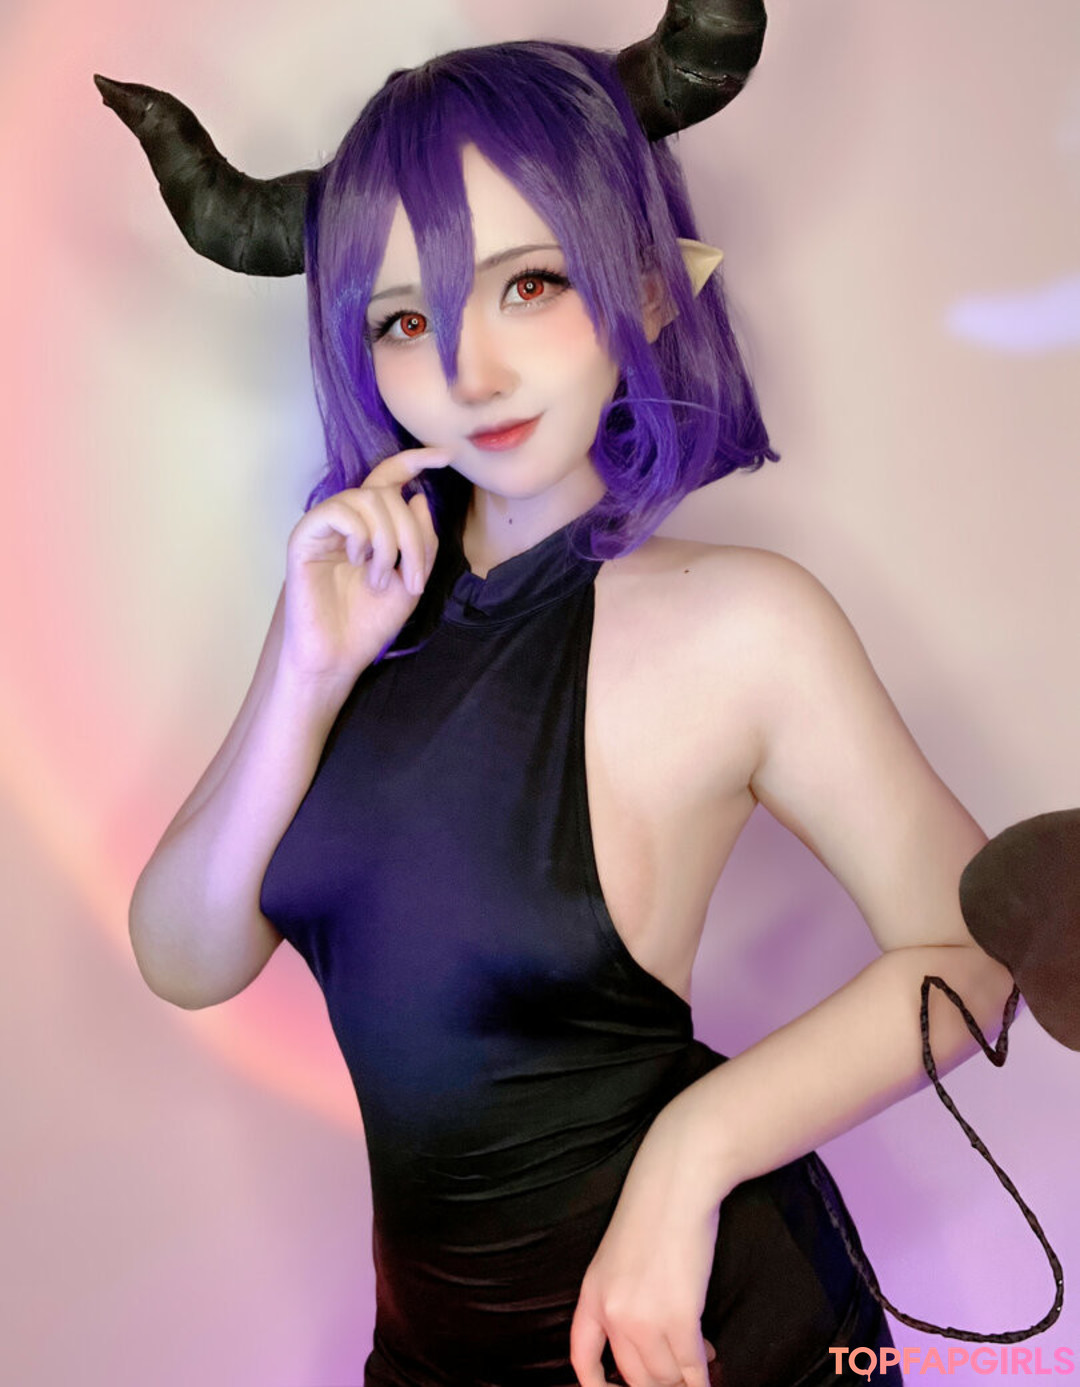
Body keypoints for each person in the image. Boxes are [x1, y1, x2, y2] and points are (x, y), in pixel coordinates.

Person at [109, 27, 1018, 1387]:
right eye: (406, 321)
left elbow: (981, 954)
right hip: (429, 1352)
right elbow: (187, 957)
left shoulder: (740, 622)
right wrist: (306, 672)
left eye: (528, 285)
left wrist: (690, 1161)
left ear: (647, 282)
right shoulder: (354, 609)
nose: (467, 371)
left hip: (697, 1333)